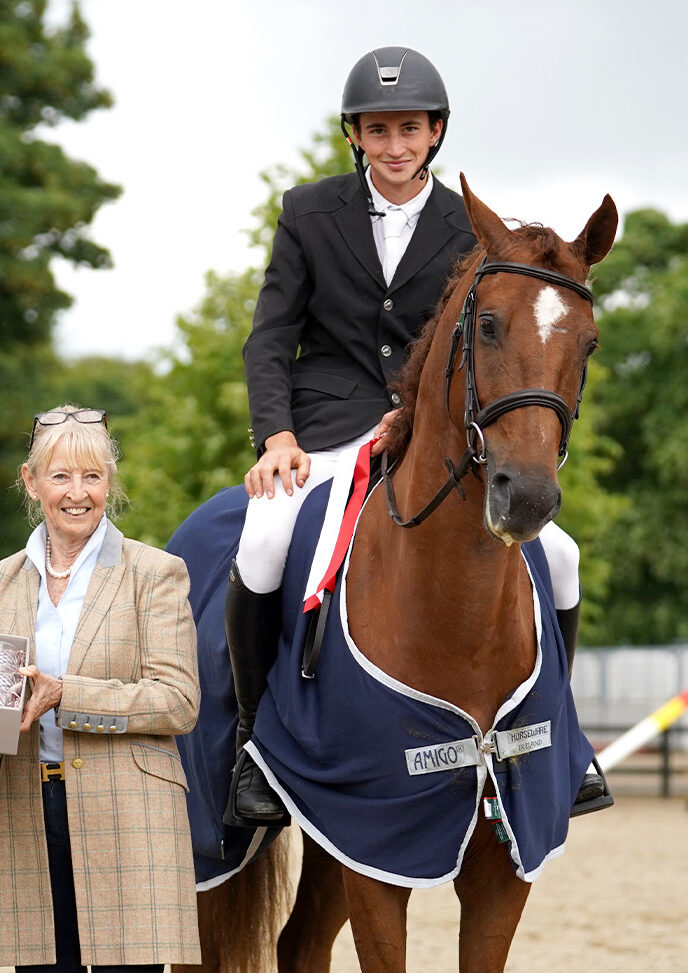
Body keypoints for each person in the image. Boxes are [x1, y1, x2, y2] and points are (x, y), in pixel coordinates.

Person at [226, 45, 601, 826]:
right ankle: (252, 746)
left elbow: (475, 344)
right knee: (263, 538)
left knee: (560, 556)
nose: (395, 145)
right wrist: (277, 436)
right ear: (355, 136)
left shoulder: (472, 230)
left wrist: (428, 412)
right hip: (325, 426)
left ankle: (565, 741)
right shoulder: (307, 212)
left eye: (410, 129)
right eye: (378, 129)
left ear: (435, 133)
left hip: (424, 429)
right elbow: (271, 339)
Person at [0, 405, 201, 972]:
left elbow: (178, 700)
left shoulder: (156, 572)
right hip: (26, 806)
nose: (78, 493)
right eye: (61, 476)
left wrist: (67, 694)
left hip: (131, 815)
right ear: (31, 481)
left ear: (109, 482)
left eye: (92, 476)